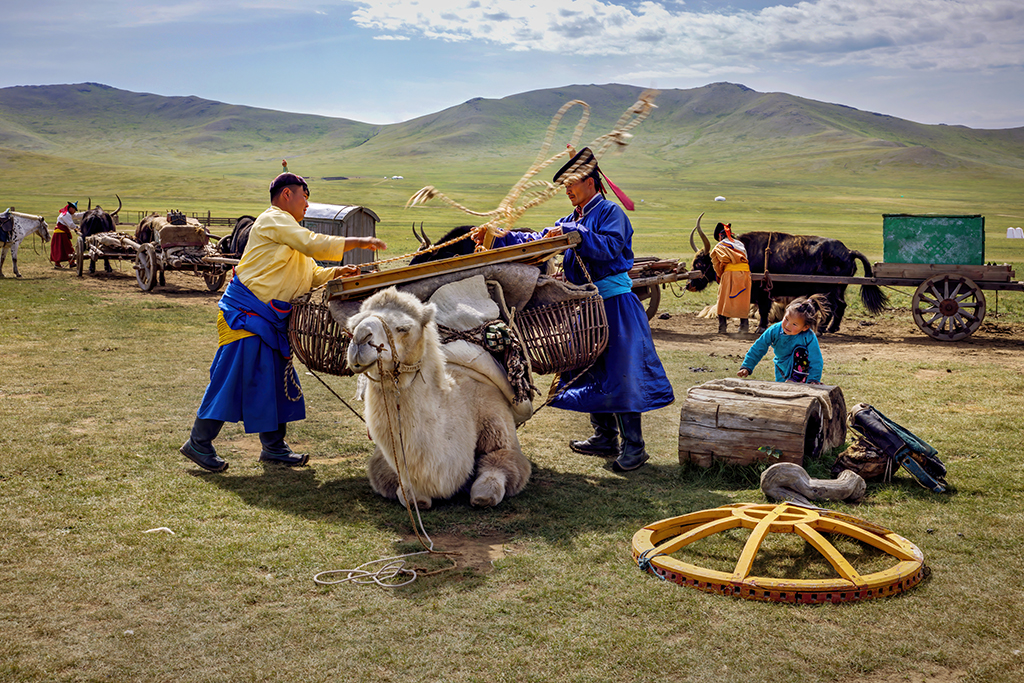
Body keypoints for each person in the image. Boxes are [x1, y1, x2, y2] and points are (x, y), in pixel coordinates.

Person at [473, 147, 674, 472]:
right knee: (589, 367)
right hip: (586, 308)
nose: (566, 189)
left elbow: (610, 247)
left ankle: (634, 448)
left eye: (572, 182)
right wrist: (500, 237)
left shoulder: (610, 212)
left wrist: (574, 233)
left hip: (615, 305)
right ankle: (604, 436)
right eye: (564, 185)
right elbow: (538, 240)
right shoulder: (570, 219)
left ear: (591, 181)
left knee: (622, 371)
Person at [180, 172, 387, 472]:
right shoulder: (272, 220)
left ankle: (274, 447)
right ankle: (198, 442)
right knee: (232, 376)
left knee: (274, 380)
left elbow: (310, 274)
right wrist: (358, 241)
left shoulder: (289, 231)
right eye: (305, 195)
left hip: (268, 319)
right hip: (247, 315)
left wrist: (337, 273)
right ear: (287, 195)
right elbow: (312, 243)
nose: (307, 202)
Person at [737, 294, 830, 384]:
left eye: (794, 324)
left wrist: (814, 380)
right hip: (782, 368)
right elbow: (759, 347)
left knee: (801, 352)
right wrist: (746, 367)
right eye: (786, 319)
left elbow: (815, 359)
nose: (787, 325)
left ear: (805, 327)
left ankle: (796, 378)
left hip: (802, 372)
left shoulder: (808, 336)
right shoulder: (774, 330)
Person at [710, 221, 750, 334]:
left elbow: (716, 265)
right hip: (745, 274)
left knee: (723, 300)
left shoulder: (719, 246)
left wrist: (720, 275)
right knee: (743, 300)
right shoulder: (740, 245)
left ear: (720, 236)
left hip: (729, 274)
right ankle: (744, 326)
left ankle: (722, 328)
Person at [51, 201, 78, 269]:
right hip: (61, 233)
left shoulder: (65, 213)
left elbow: (77, 216)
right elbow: (71, 225)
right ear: (71, 208)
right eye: (74, 209)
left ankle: (58, 263)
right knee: (68, 247)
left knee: (59, 248)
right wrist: (78, 228)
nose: (74, 211)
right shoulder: (66, 214)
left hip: (60, 233)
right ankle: (71, 262)